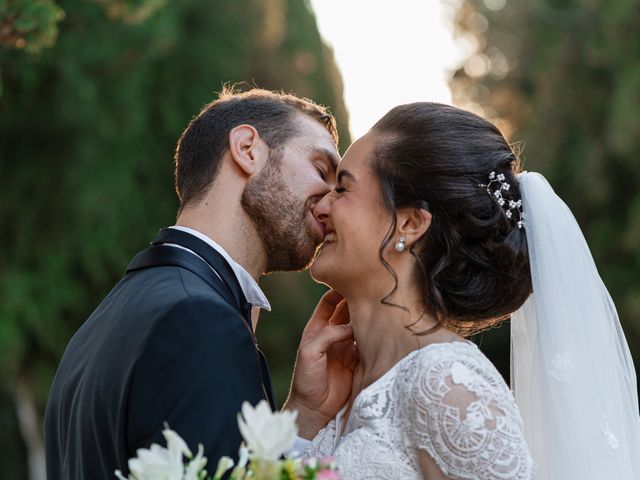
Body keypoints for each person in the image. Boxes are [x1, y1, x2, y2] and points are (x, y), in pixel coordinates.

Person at [305, 102, 640, 479]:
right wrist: (305, 412)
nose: (322, 205)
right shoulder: (338, 385)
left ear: (410, 223)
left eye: (342, 188)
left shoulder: (448, 386)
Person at [44, 88, 358, 480]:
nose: (331, 203)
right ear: (247, 149)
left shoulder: (105, 321)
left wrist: (304, 414)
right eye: (321, 170)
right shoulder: (199, 319)